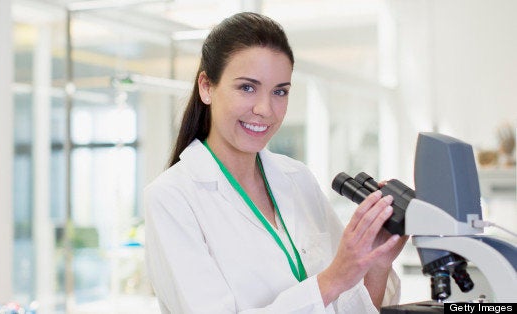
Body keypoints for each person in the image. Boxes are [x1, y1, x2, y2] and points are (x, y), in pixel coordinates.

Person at [144, 12, 407, 313]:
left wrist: (376, 261)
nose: (265, 109)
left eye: (279, 91)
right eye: (247, 87)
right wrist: (332, 280)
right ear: (206, 86)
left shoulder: (298, 178)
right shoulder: (172, 197)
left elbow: (353, 308)